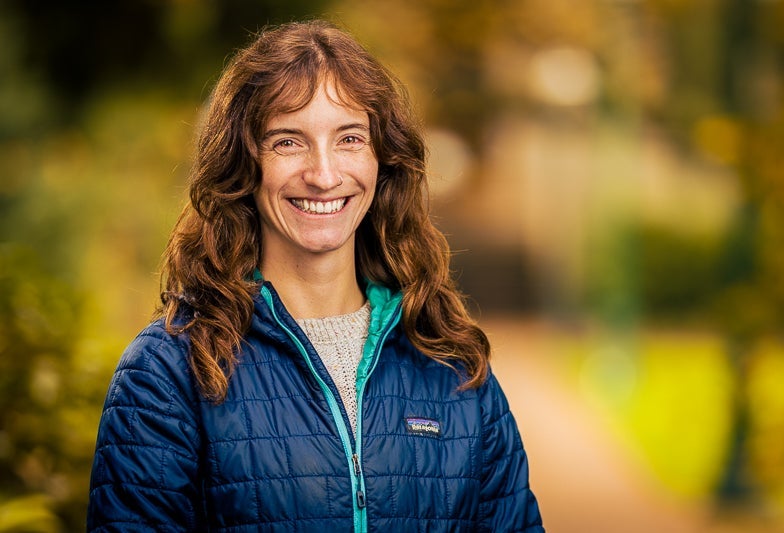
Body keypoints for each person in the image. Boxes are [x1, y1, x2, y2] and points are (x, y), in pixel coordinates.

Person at [87, 19, 545, 532]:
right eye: (288, 142)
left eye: (349, 138)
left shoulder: (451, 364)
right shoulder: (168, 374)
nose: (324, 175)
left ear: (382, 162)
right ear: (244, 163)